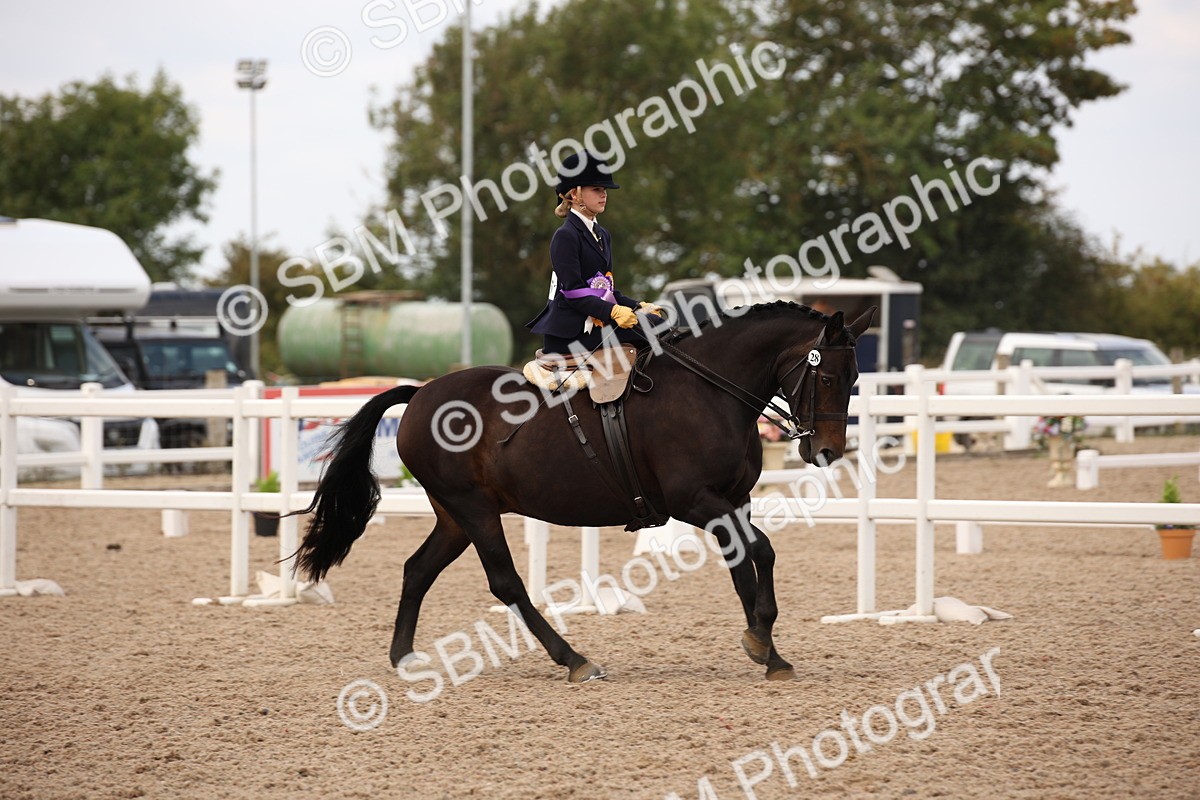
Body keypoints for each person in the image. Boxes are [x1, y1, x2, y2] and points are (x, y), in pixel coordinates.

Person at [526, 150, 663, 355]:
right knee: (652, 327)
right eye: (597, 189)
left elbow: (605, 290)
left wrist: (638, 306)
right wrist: (613, 311)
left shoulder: (603, 234)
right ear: (575, 194)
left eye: (605, 190)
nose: (604, 194)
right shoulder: (565, 236)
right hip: (571, 332)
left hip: (597, 323)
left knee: (660, 321)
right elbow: (573, 293)